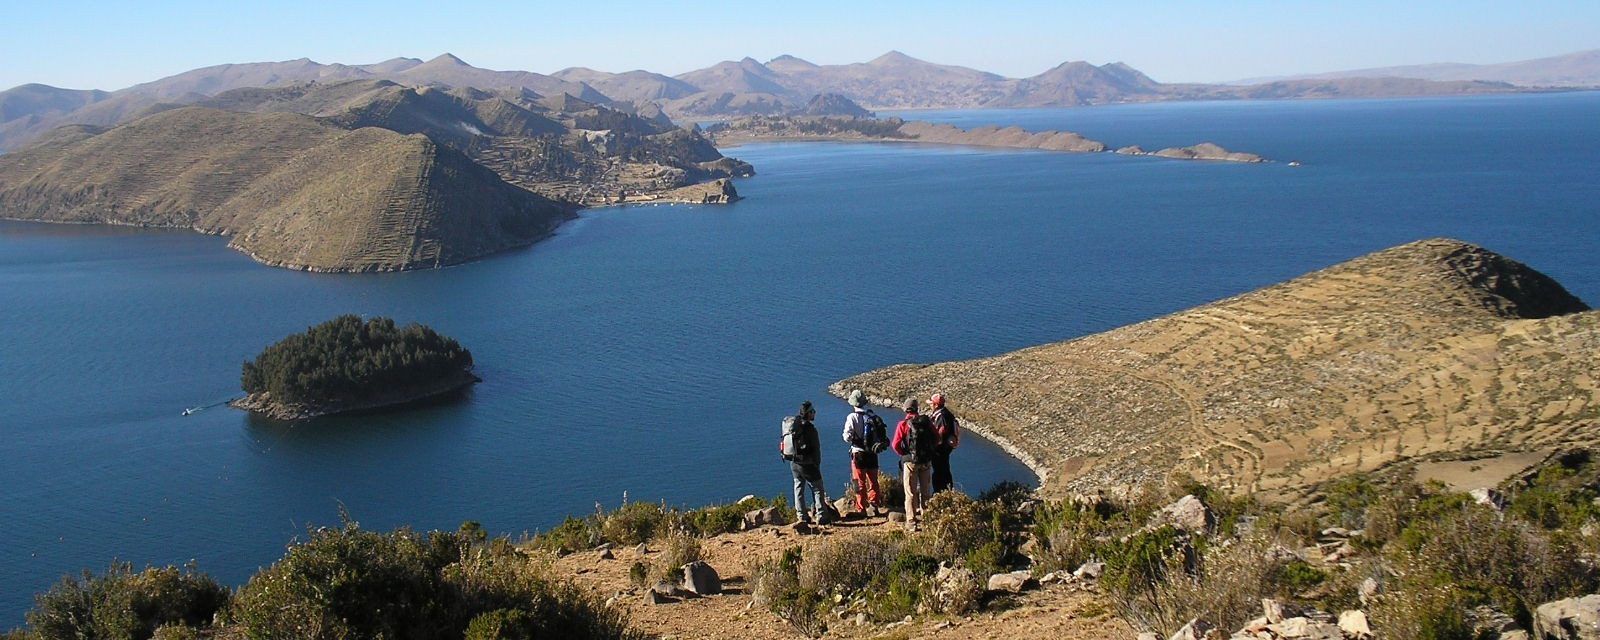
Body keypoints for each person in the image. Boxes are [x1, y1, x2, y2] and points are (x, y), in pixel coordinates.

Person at [892, 397, 936, 531]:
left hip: (910, 462)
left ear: (906, 409)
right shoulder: (926, 423)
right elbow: (937, 439)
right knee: (925, 491)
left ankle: (911, 521)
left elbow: (895, 444)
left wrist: (904, 454)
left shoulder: (903, 424)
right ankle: (927, 519)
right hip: (926, 461)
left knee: (910, 492)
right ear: (917, 409)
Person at [787, 401, 832, 525]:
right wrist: (817, 464)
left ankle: (801, 516)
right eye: (812, 411)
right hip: (807, 464)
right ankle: (821, 516)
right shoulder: (811, 430)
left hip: (794, 462)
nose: (814, 413)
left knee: (798, 488)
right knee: (817, 488)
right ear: (808, 414)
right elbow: (816, 449)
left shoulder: (793, 425)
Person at [841, 389, 882, 516]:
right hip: (872, 453)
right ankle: (874, 505)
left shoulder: (852, 417)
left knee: (859, 482)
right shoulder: (871, 416)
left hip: (858, 453)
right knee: (873, 481)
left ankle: (861, 508)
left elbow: (847, 437)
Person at [927, 392, 961, 493]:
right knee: (945, 470)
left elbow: (940, 434)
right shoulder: (947, 414)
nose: (930, 405)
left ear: (936, 405)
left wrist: (932, 445)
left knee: (939, 472)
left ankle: (940, 494)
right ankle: (947, 492)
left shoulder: (941, 416)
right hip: (945, 449)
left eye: (931, 403)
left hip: (940, 450)